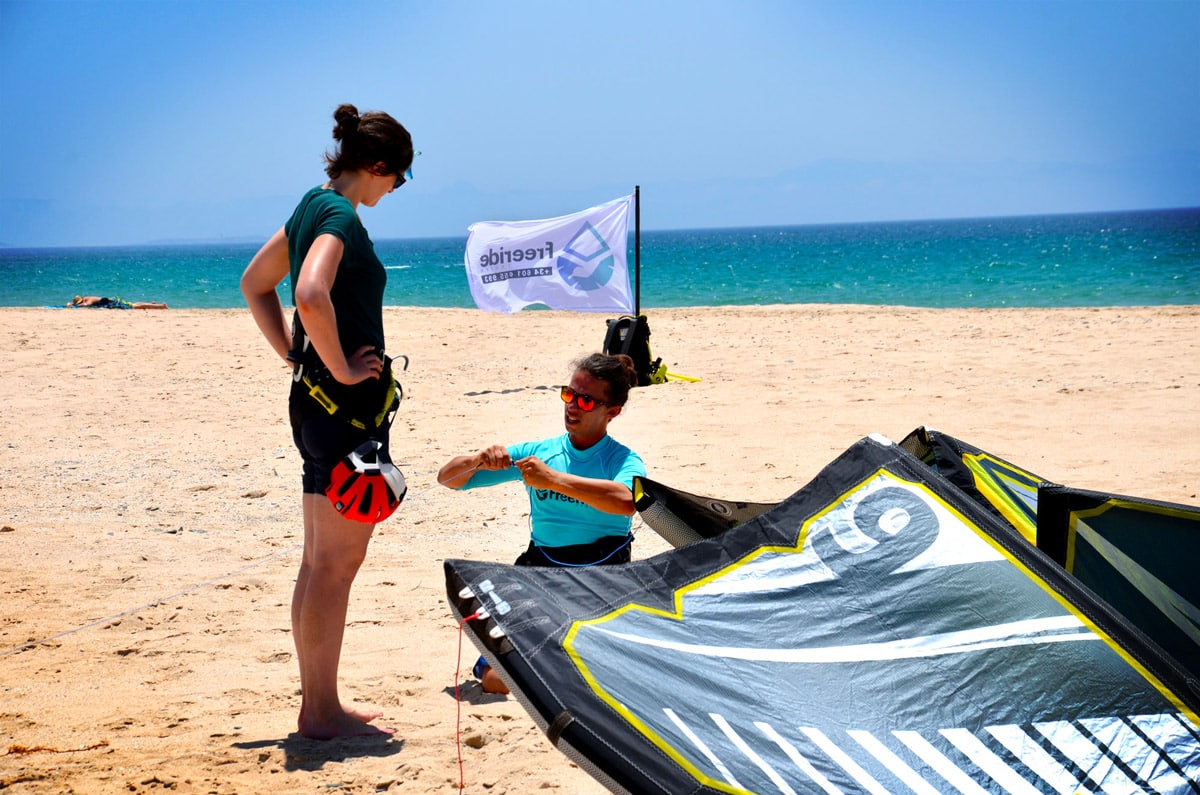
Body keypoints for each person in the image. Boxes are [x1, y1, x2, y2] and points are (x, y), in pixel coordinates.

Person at [240, 103, 414, 739]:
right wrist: (339, 367)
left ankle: (320, 705)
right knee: (335, 567)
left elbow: (255, 284)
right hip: (344, 410)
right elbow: (309, 293)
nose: (397, 188)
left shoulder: (310, 205)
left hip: (314, 406)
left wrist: (296, 356)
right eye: (400, 177)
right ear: (378, 165)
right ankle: (320, 713)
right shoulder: (338, 215)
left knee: (319, 563)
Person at [438, 353, 646, 694]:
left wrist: (554, 480)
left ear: (613, 411)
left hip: (601, 575)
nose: (573, 406)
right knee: (497, 680)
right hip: (541, 570)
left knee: (593, 676)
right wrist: (478, 459)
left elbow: (626, 501)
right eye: (569, 394)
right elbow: (448, 479)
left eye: (586, 400)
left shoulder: (622, 459)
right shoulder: (541, 452)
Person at [69, 295, 168, 309]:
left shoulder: (88, 299)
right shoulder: (86, 298)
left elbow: (87, 305)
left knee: (135, 306)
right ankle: (153, 305)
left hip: (113, 303)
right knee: (135, 304)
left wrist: (75, 306)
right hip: (112, 302)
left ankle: (161, 306)